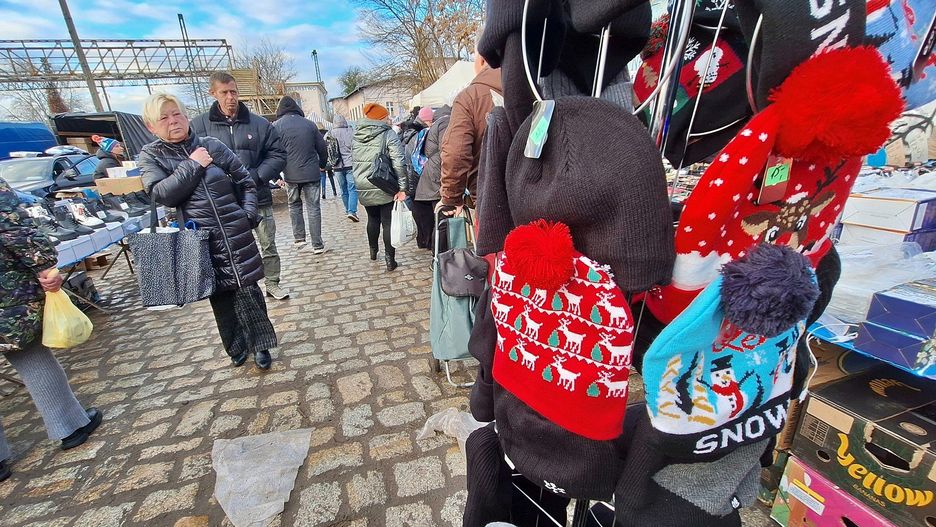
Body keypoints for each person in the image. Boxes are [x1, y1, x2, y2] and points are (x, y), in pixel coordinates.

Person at [138, 93, 277, 371]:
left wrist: (247, 215)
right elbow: (162, 193)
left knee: (247, 288)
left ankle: (261, 344)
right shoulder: (151, 156)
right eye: (163, 117)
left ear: (186, 116)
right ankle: (236, 346)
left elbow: (246, 181)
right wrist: (194, 164)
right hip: (199, 238)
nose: (173, 121)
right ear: (152, 126)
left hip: (234, 231)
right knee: (220, 295)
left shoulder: (211, 145)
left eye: (176, 114)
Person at [0, 177, 103, 482]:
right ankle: (69, 427)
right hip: (8, 295)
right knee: (32, 358)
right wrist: (45, 266)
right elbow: (14, 229)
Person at [190, 72, 289, 301]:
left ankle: (272, 282)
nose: (230, 97)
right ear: (213, 93)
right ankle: (239, 289)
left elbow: (277, 154)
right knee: (229, 249)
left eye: (233, 92)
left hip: (257, 196)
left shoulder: (259, 124)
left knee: (268, 243)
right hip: (221, 203)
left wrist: (256, 176)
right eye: (224, 93)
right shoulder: (199, 126)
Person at [438, 30, 503, 217]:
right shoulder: (537, 88)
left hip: (489, 200)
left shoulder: (470, 97)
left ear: (482, 59)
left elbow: (456, 153)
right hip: (535, 197)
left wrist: (451, 198)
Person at [352, 103, 408, 271]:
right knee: (387, 221)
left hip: (363, 182)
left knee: (372, 218)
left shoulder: (357, 134)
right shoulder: (388, 134)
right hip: (384, 182)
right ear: (381, 118)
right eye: (386, 116)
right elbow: (399, 161)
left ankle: (373, 251)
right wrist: (403, 187)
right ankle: (390, 260)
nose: (389, 118)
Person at [272, 96, 328, 254]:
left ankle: (299, 238)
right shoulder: (310, 125)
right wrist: (322, 165)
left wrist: (276, 176)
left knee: (294, 205)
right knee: (313, 208)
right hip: (311, 173)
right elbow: (322, 148)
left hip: (290, 174)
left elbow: (271, 152)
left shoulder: (276, 126)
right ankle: (317, 244)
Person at [414, 104, 451, 249]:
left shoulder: (436, 125)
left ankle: (438, 258)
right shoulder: (445, 122)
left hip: (431, 176)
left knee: (440, 221)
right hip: (438, 177)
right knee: (443, 222)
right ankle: (440, 260)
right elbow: (447, 151)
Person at [402, 106, 433, 249]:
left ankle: (421, 239)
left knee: (418, 210)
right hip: (419, 176)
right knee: (426, 212)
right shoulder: (422, 134)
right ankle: (428, 241)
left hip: (409, 177)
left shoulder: (408, 134)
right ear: (427, 121)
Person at [325, 115, 358, 222]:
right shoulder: (351, 131)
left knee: (343, 190)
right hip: (350, 164)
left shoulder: (330, 133)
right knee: (352, 188)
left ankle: (347, 210)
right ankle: (352, 211)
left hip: (337, 165)